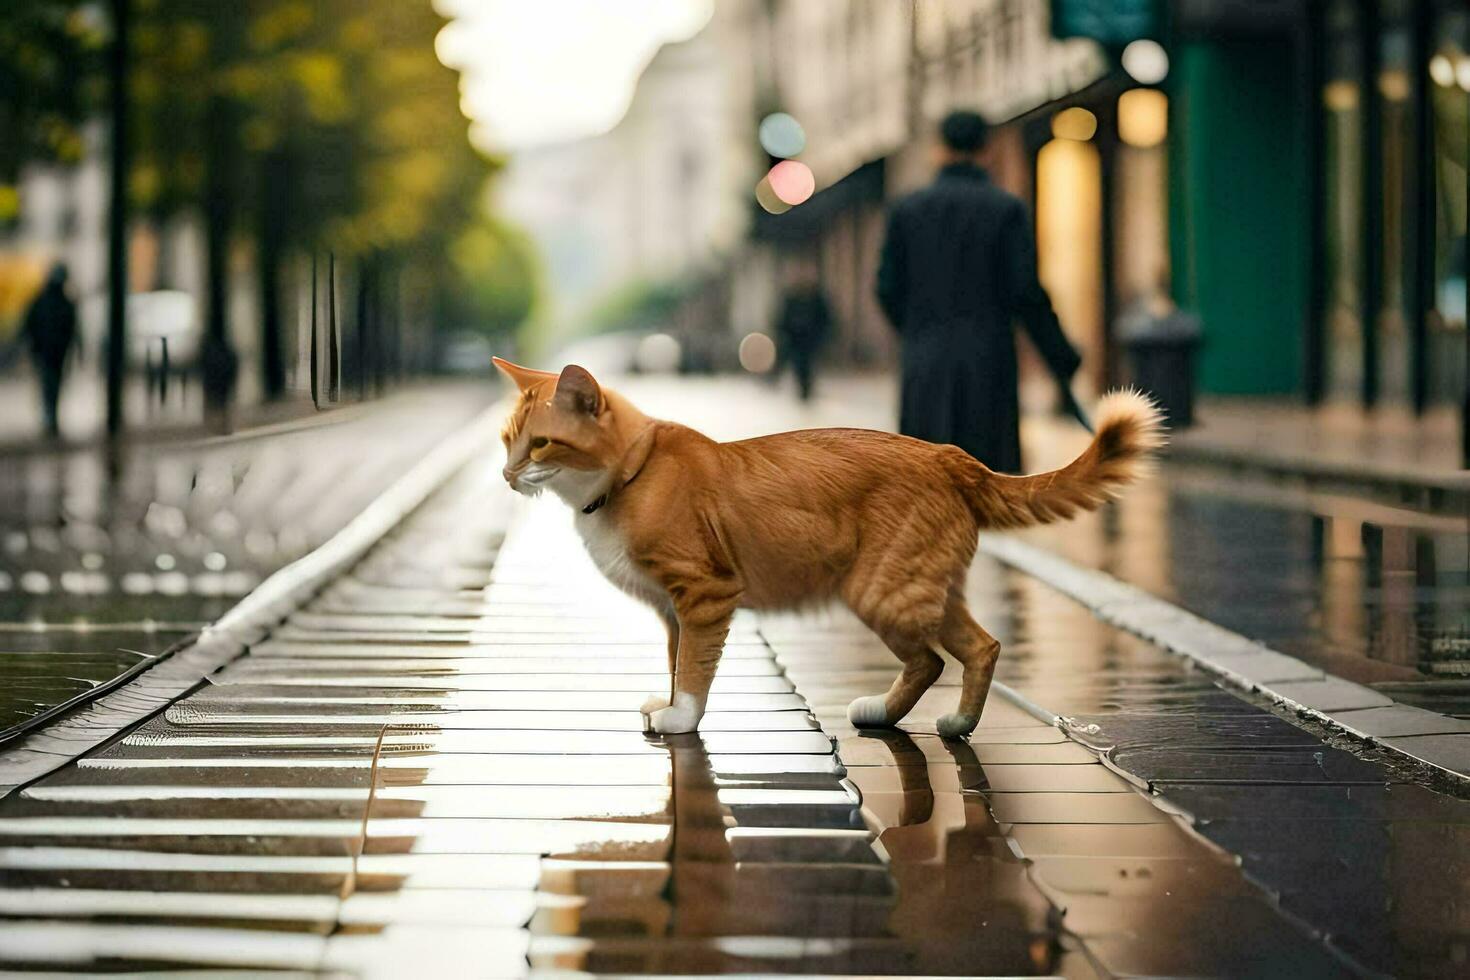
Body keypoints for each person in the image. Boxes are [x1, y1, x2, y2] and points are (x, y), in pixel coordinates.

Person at [876, 110, 1080, 473]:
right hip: (989, 365)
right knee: (986, 485)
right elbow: (1026, 293)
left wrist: (918, 330)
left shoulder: (907, 211)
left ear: (939, 149)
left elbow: (887, 289)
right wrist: (1061, 357)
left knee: (926, 484)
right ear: (987, 150)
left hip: (926, 365)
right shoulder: (1006, 210)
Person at [21, 263, 78, 440]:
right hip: (48, 354)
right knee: (50, 386)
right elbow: (30, 325)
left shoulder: (50, 301)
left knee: (51, 386)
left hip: (53, 354)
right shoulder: (49, 301)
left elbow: (72, 329)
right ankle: (50, 419)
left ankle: (51, 419)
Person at [774, 259, 832, 402]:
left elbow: (825, 317)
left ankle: (806, 389)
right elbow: (782, 317)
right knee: (798, 364)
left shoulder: (816, 297)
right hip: (795, 339)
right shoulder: (791, 297)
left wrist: (822, 334)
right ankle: (802, 389)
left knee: (807, 364)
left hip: (810, 338)